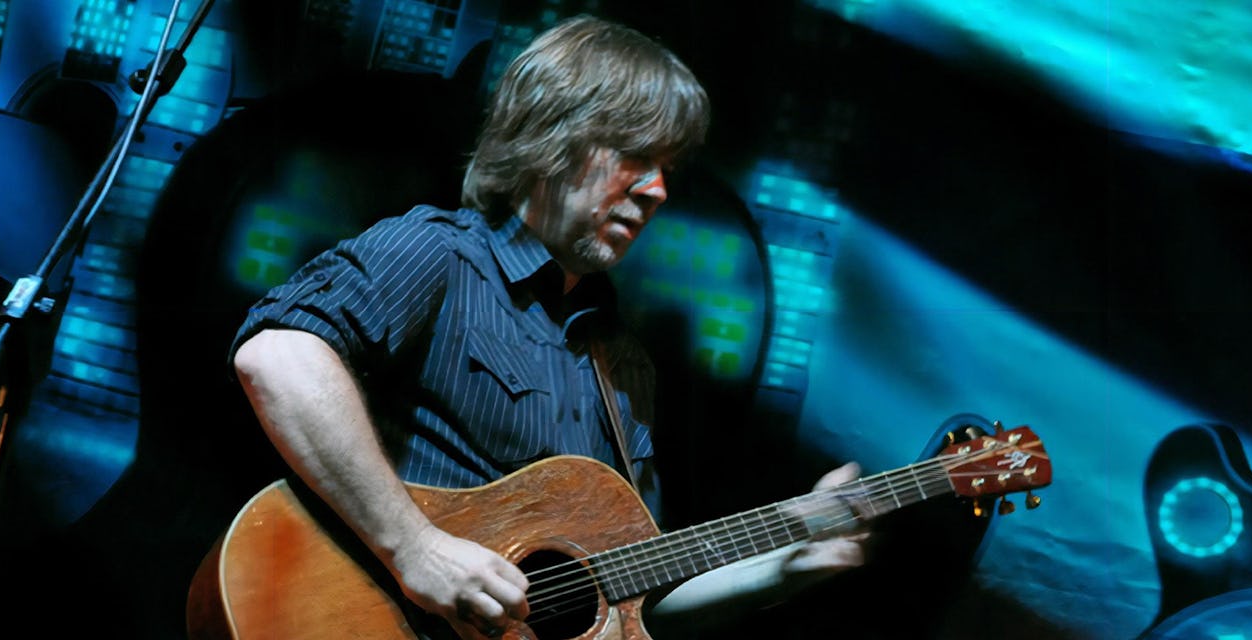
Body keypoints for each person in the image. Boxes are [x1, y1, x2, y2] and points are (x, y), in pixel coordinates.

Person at [229, 14, 868, 638]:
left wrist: (785, 562)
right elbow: (278, 358)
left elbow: (633, 600)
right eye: (634, 155)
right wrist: (415, 547)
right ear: (550, 138)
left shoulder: (623, 365)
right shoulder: (438, 254)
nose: (657, 191)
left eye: (668, 170)